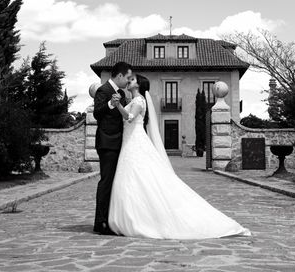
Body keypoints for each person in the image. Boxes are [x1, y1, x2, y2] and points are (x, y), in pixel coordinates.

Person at [108, 73, 251, 239]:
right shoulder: (132, 100)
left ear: (138, 85)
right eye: (129, 78)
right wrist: (114, 104)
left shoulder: (139, 100)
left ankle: (140, 219)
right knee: (132, 179)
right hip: (129, 141)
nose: (128, 81)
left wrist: (118, 106)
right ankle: (131, 215)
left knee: (140, 176)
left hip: (135, 141)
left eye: (132, 79)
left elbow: (130, 118)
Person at [92, 61, 133, 235]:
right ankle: (100, 223)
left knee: (115, 184)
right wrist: (109, 104)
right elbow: (97, 114)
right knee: (106, 182)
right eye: (128, 77)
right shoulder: (103, 90)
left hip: (119, 143)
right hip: (107, 143)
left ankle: (111, 220)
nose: (129, 81)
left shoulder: (122, 94)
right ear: (119, 76)